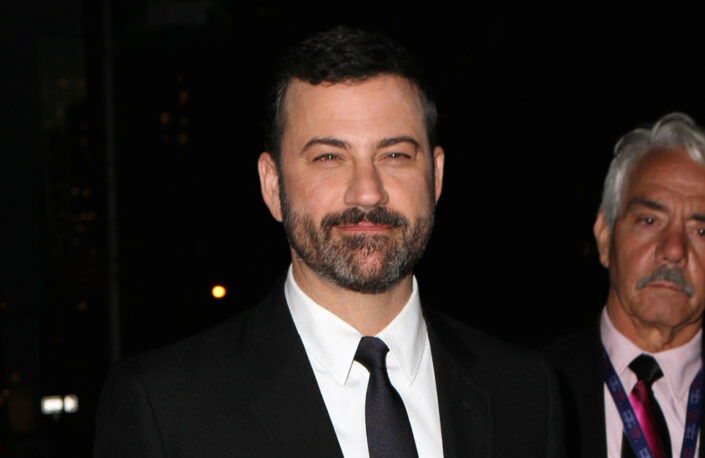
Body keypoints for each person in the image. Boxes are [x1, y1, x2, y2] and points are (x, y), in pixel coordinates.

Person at [94, 26, 563, 457]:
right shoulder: (164, 410)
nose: (367, 192)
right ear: (272, 185)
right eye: (329, 158)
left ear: (436, 176)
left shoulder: (526, 392)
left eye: (395, 155)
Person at [545, 112, 705, 458]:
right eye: (649, 220)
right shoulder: (526, 388)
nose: (674, 250)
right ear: (604, 237)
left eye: (701, 231)